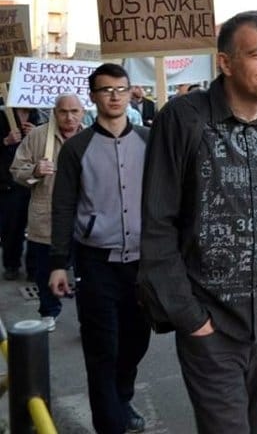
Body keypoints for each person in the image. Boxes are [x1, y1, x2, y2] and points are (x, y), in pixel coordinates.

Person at [137, 11, 257, 434]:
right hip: (211, 325)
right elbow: (158, 224)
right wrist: (190, 316)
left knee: (255, 425)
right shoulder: (182, 119)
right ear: (225, 62)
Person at [49, 64, 151, 434]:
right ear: (92, 96)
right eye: (105, 89)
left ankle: (122, 396)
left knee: (136, 342)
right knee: (101, 350)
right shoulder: (77, 148)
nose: (113, 95)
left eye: (120, 89)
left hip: (143, 264)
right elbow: (62, 206)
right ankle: (111, 424)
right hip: (96, 264)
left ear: (129, 92)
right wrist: (58, 262)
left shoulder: (148, 141)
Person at [10, 94, 84, 331]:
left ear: (82, 112)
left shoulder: (91, 137)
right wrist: (35, 170)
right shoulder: (38, 135)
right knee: (46, 270)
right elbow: (16, 170)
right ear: (54, 112)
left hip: (84, 219)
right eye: (63, 111)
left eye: (74, 111)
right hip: (46, 219)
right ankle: (49, 312)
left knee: (87, 274)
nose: (69, 117)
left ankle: (89, 318)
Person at [0, 105, 46, 281]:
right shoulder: (3, 115)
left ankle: (34, 268)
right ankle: (11, 264)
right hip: (8, 181)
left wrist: (38, 134)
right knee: (12, 227)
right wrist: (5, 141)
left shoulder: (39, 117)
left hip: (35, 180)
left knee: (36, 226)